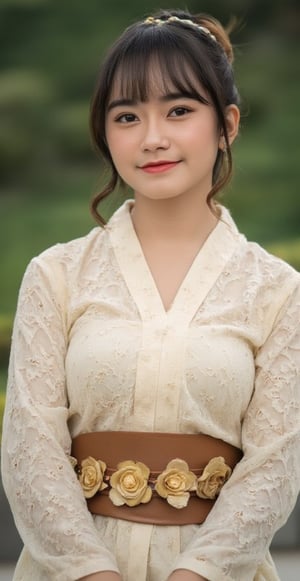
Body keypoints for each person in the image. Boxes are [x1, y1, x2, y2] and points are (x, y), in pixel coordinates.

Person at [1, 8, 300, 581]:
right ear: (104, 133)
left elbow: (275, 464)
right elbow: (30, 452)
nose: (152, 137)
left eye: (180, 110)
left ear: (227, 124)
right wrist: (90, 571)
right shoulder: (56, 275)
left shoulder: (277, 291)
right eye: (127, 116)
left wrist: (199, 573)